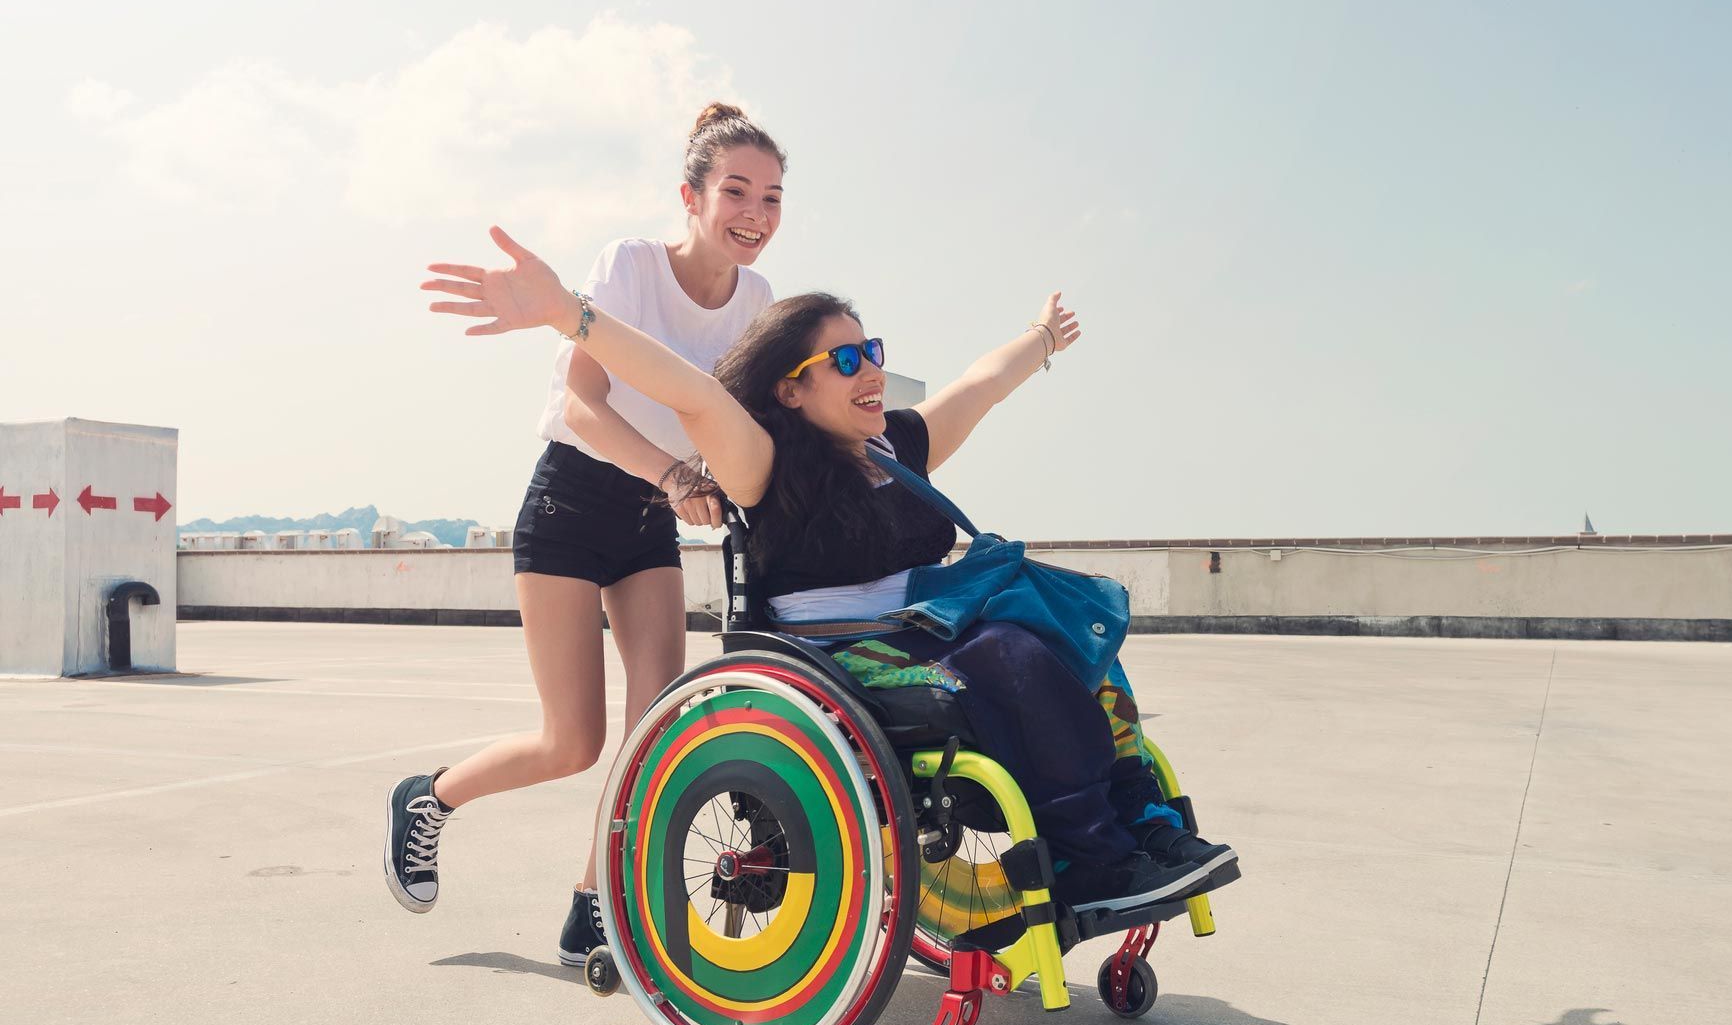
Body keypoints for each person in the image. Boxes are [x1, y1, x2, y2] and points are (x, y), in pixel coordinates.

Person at [422, 229, 1236, 912]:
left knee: (1075, 634)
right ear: (790, 389)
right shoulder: (765, 463)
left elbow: (981, 386)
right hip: (840, 657)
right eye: (844, 360)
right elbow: (693, 395)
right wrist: (568, 313)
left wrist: (1043, 337)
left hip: (924, 636)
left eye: (871, 351)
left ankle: (1144, 824)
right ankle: (1090, 859)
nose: (870, 370)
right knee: (1013, 650)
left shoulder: (900, 444)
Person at [382, 105, 788, 966]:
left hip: (649, 522)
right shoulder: (633, 265)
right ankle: (429, 797)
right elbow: (581, 404)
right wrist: (675, 476)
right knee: (572, 742)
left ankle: (594, 903)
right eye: (736, 191)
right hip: (570, 500)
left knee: (654, 737)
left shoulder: (757, 302)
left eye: (772, 197)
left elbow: (737, 422)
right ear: (691, 196)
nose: (755, 213)